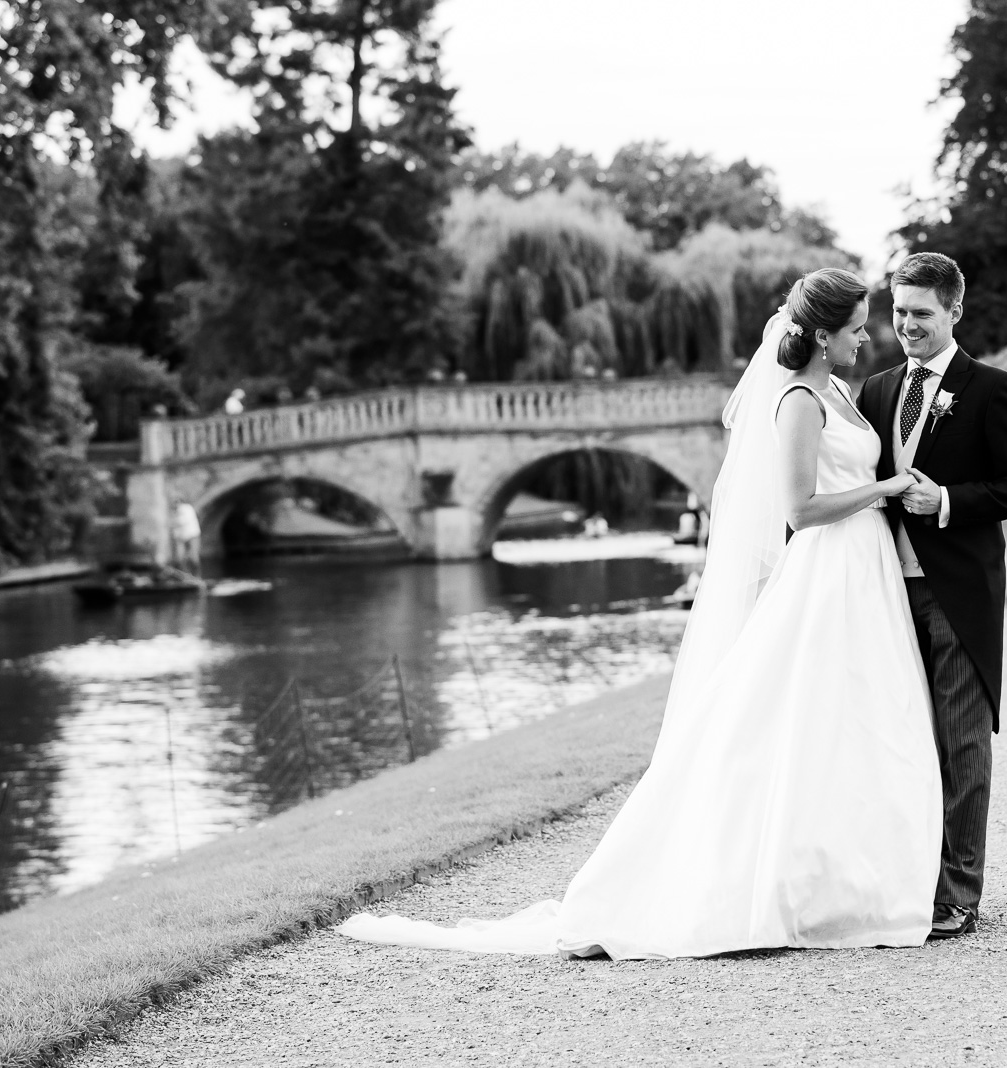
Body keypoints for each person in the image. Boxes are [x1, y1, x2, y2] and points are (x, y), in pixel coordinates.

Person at [338, 268, 943, 958]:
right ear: (824, 334)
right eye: (857, 328)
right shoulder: (800, 399)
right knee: (798, 722)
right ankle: (778, 886)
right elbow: (799, 510)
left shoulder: (837, 389)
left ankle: (854, 878)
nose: (867, 339)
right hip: (829, 571)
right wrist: (887, 488)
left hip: (864, 574)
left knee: (858, 723)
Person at [854, 252, 1007, 939]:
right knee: (899, 741)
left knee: (961, 743)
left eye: (921, 314)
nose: (906, 325)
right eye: (899, 312)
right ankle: (906, 880)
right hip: (884, 592)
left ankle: (957, 895)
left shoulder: (992, 389)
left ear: (955, 311)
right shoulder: (875, 390)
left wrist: (950, 501)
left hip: (958, 592)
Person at [170, 500, 202, 576]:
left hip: (192, 535)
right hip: (181, 538)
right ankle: (183, 577)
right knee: (179, 558)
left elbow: (183, 521)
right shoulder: (174, 512)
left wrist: (172, 522)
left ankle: (197, 577)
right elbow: (175, 529)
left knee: (194, 558)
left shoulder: (186, 508)